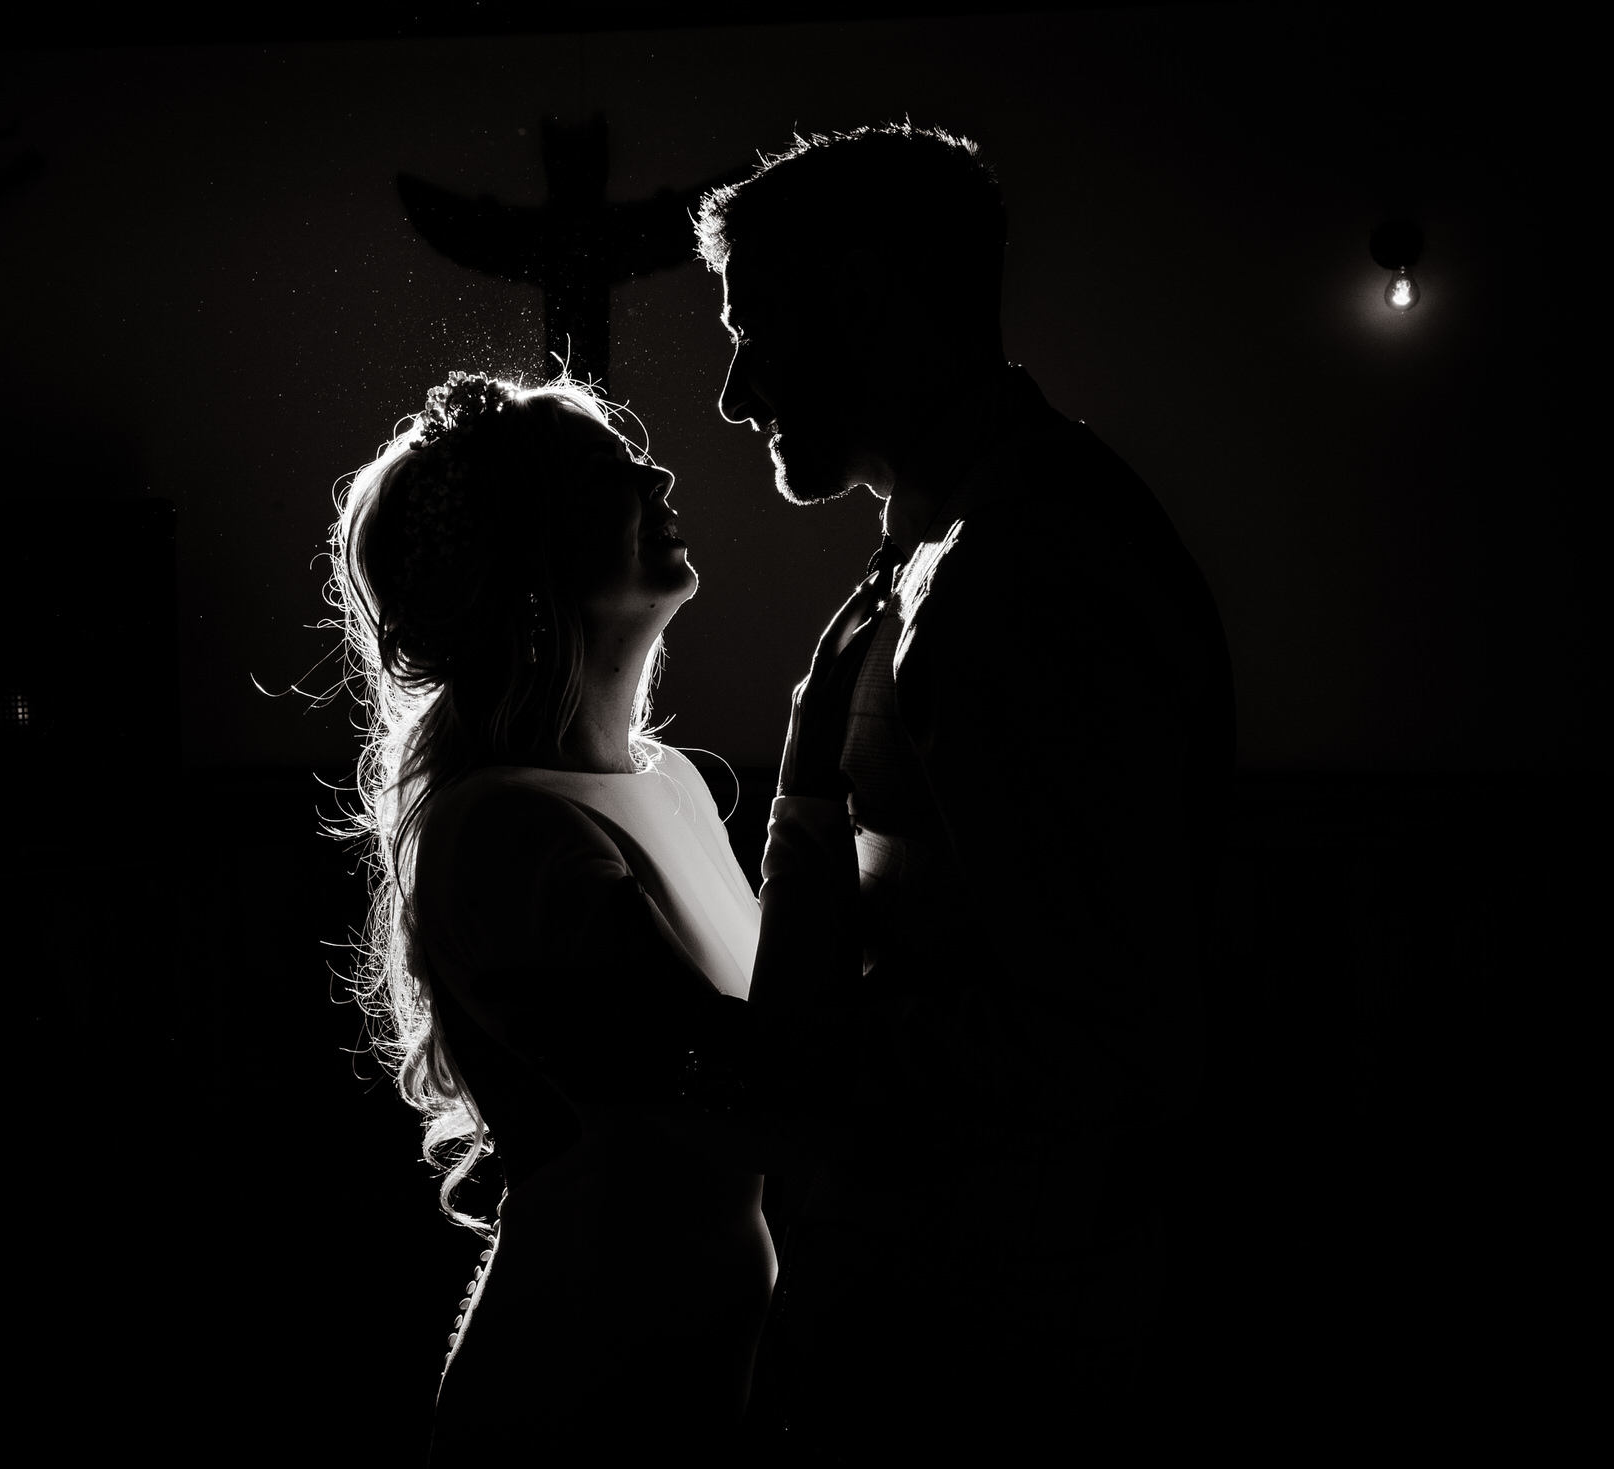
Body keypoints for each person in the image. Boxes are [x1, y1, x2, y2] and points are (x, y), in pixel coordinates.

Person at [696, 123, 1238, 1459]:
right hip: (922, 1308)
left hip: (992, 1356)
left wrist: (737, 1057)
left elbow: (1105, 1035)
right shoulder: (937, 552)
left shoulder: (1029, 571)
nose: (732, 391)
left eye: (753, 329)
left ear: (867, 308)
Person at [329, 372, 801, 1465]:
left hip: (704, 1368)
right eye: (606, 469)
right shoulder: (503, 829)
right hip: (584, 1389)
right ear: (533, 556)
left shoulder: (672, 780)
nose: (659, 470)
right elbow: (741, 1095)